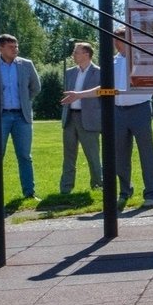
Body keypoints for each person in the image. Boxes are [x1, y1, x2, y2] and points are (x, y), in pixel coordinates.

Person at [62, 27, 153, 208]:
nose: (115, 43)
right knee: (120, 155)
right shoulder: (111, 62)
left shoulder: (143, 59)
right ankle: (124, 191)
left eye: (118, 39)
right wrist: (79, 95)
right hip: (118, 112)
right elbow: (102, 89)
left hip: (140, 110)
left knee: (147, 152)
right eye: (114, 40)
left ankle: (151, 193)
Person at [0, 34, 41, 199]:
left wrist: (23, 99)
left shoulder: (26, 64)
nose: (15, 49)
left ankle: (29, 193)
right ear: (0, 48)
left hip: (22, 117)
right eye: (11, 47)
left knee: (25, 156)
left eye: (16, 46)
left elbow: (36, 87)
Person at [60, 41, 103, 194]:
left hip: (89, 119)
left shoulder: (99, 72)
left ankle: (98, 186)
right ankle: (65, 189)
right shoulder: (70, 72)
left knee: (93, 155)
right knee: (69, 156)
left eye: (76, 52)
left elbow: (103, 92)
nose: (73, 54)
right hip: (70, 117)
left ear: (86, 54)